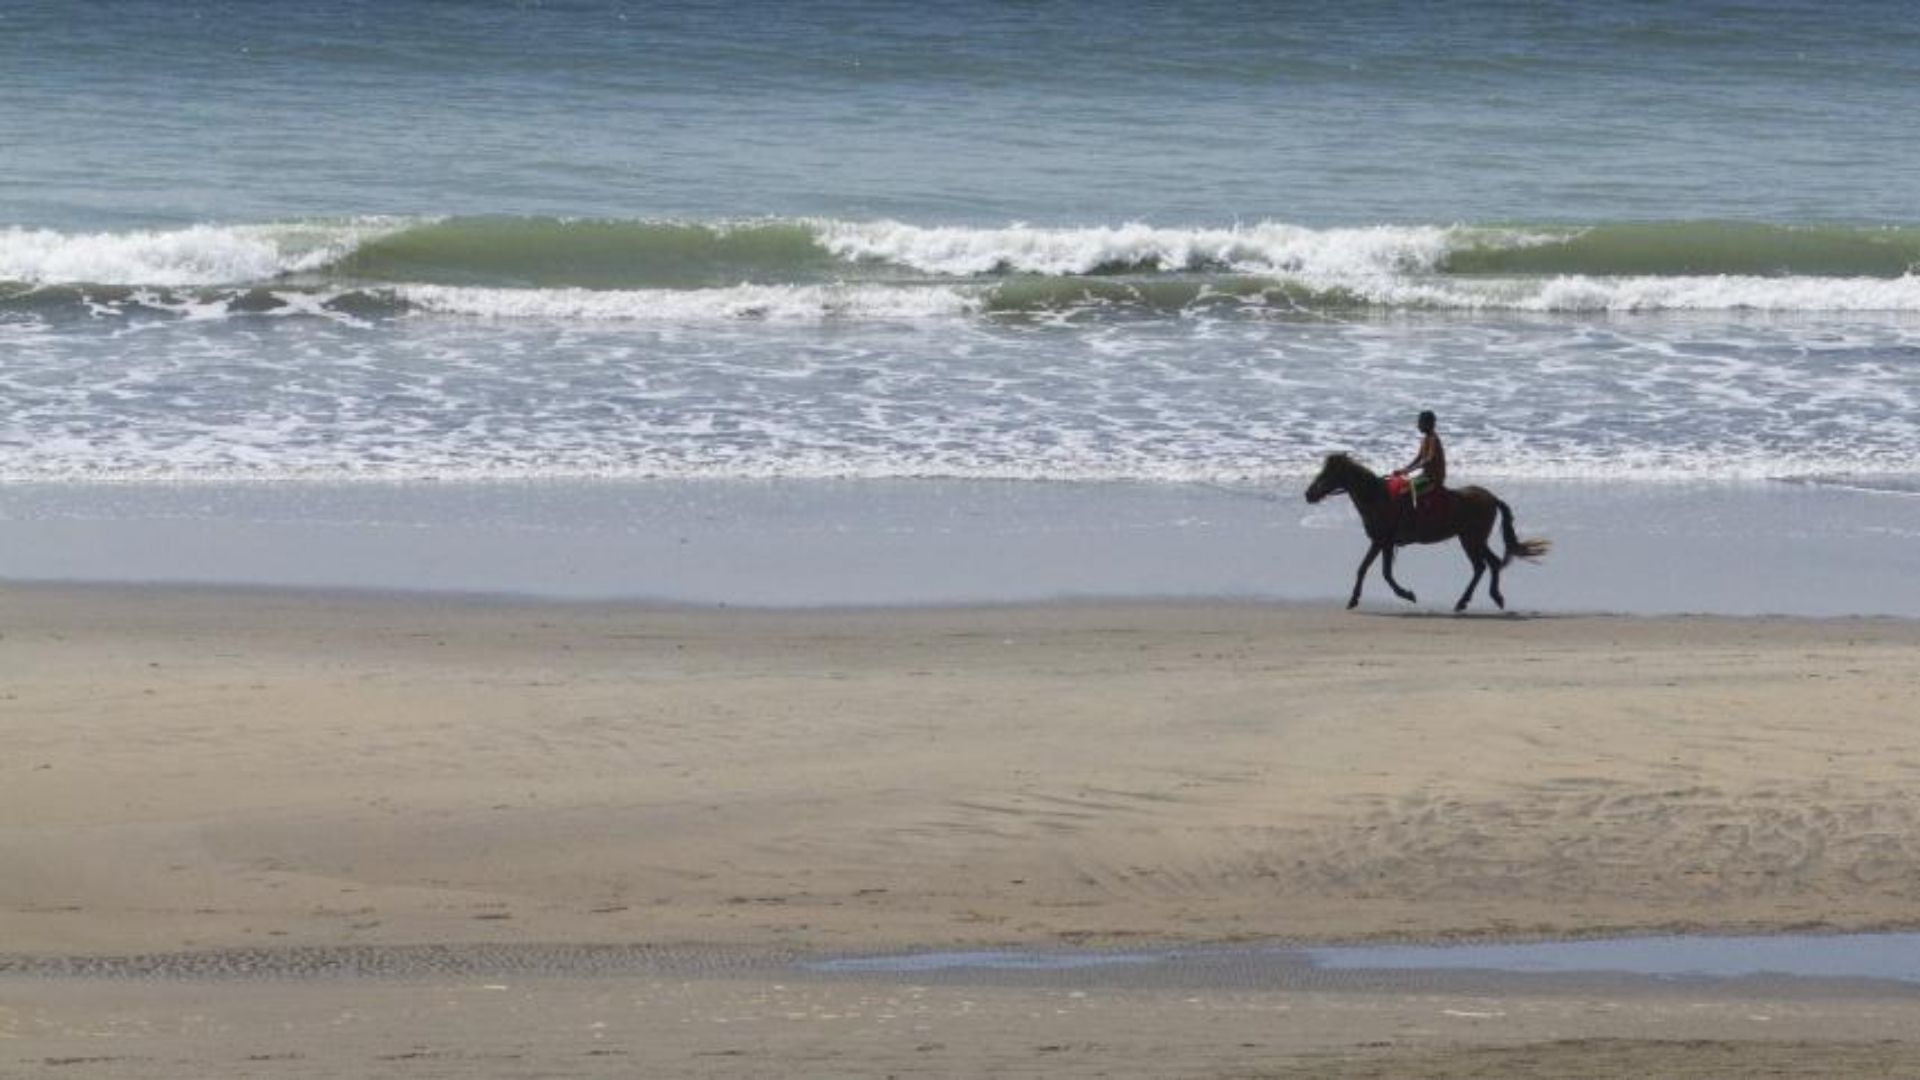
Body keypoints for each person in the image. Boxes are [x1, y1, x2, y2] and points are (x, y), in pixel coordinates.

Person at [1394, 410, 1446, 508]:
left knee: (1405, 492)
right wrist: (1404, 470)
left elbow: (1429, 460)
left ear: (1428, 424)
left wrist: (1410, 470)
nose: (1418, 425)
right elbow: (1418, 458)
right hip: (1425, 476)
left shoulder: (1433, 439)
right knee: (1401, 486)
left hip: (1434, 479)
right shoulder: (1425, 439)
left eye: (1420, 423)